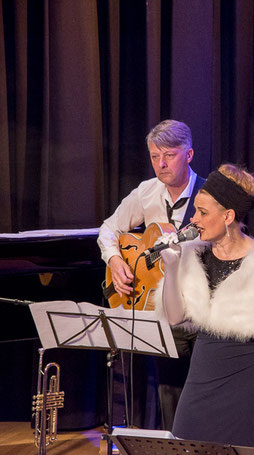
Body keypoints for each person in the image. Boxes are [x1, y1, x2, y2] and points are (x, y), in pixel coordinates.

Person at [153, 164, 254, 453]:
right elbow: (174, 316)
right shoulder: (194, 254)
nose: (194, 220)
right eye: (195, 210)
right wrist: (171, 268)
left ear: (228, 216)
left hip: (252, 379)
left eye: (203, 213)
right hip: (205, 371)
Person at [97, 119, 205, 429]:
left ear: (189, 154)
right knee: (152, 389)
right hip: (152, 308)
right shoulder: (147, 192)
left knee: (186, 394)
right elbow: (109, 228)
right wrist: (116, 261)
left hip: (192, 312)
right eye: (155, 156)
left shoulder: (207, 196)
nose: (161, 164)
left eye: (169, 155)